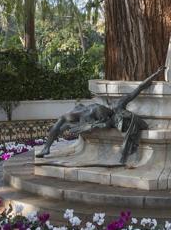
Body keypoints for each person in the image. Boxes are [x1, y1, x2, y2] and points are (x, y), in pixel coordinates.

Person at [36, 67, 164, 165]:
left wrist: (155, 75)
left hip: (86, 117)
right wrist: (155, 74)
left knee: (64, 120)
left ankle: (46, 147)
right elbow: (138, 89)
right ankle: (46, 147)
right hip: (85, 111)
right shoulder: (118, 106)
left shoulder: (110, 119)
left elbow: (139, 89)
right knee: (63, 120)